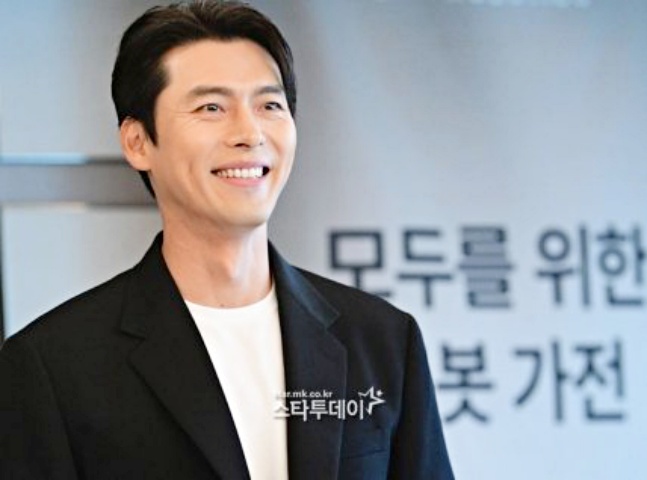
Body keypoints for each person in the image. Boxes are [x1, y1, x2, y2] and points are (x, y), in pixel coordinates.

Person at [0, 1, 454, 478]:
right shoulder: (54, 366)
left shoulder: (382, 340)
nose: (249, 133)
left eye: (269, 105)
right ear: (138, 142)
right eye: (211, 108)